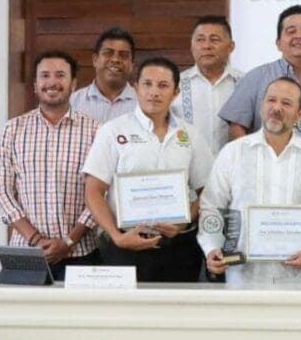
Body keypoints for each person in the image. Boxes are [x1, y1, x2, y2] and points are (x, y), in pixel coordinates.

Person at [199, 77, 301, 286]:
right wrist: (212, 246)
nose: (276, 108)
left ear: (299, 114)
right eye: (271, 100)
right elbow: (211, 207)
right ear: (261, 106)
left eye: (286, 103)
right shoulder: (233, 153)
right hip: (243, 276)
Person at [82, 57, 213, 282]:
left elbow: (209, 190)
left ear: (176, 92)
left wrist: (184, 220)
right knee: (126, 316)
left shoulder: (190, 134)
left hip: (179, 248)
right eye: (147, 84)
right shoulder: (113, 131)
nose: (154, 92)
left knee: (177, 314)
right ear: (135, 88)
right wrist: (116, 236)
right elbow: (93, 190)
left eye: (163, 86)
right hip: (125, 246)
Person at [0, 51, 101, 280]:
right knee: (22, 317)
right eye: (45, 76)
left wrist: (69, 241)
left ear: (73, 84)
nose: (52, 82)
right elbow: (3, 192)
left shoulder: (96, 131)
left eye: (60, 75)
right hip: (26, 254)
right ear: (35, 85)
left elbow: (102, 193)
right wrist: (36, 240)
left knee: (81, 317)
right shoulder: (13, 129)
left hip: (81, 254)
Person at [220, 4, 301, 146]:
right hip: (267, 164)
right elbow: (236, 126)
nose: (299, 36)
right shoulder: (255, 77)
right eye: (291, 31)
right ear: (278, 43)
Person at [172, 15, 243, 154]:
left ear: (231, 46)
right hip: (188, 170)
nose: (207, 46)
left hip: (233, 171)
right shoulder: (175, 85)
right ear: (192, 46)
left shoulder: (246, 83)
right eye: (200, 40)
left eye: (214, 39)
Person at [70, 26, 137, 123]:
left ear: (131, 65)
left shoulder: (144, 105)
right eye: (108, 53)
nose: (115, 59)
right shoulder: (73, 102)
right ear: (95, 60)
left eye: (123, 55)